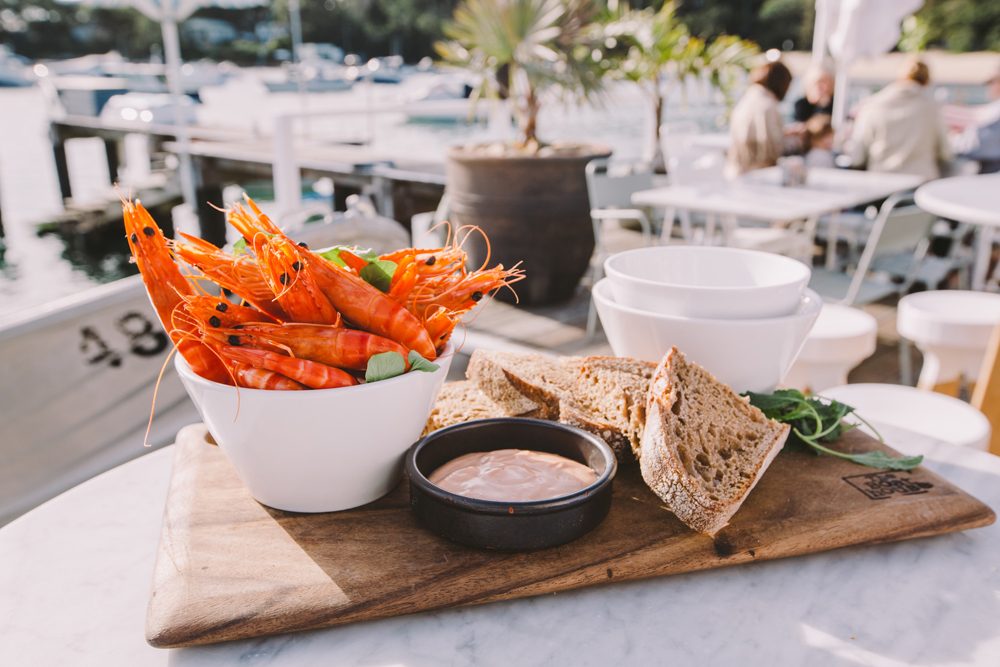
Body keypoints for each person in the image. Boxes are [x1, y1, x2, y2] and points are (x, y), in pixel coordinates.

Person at [844, 59, 952, 181]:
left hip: (881, 183)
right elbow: (946, 152)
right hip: (920, 183)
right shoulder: (932, 108)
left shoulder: (873, 105)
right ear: (927, 81)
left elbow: (857, 154)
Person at [726, 60, 793, 177]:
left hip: (736, 171)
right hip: (756, 175)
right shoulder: (767, 106)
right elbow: (773, 148)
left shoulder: (747, 100)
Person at [954, 63, 1000, 173]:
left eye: (992, 82)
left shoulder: (995, 112)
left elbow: (975, 144)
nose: (989, 87)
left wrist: (953, 140)